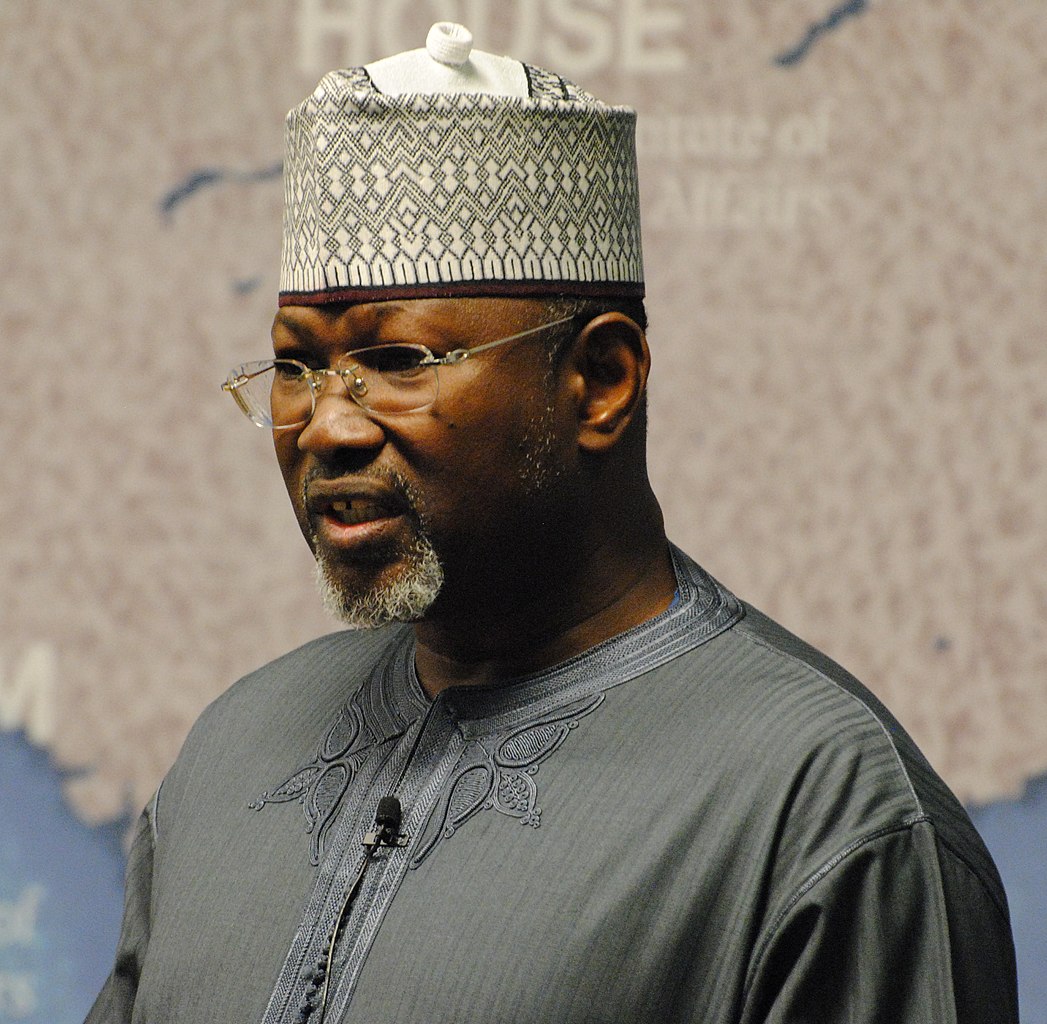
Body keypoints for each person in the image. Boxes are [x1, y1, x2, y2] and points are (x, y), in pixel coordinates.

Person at [88, 22, 1018, 1024]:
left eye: (398, 362)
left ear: (601, 381)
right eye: (297, 366)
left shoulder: (822, 814)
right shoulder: (234, 752)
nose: (326, 424)